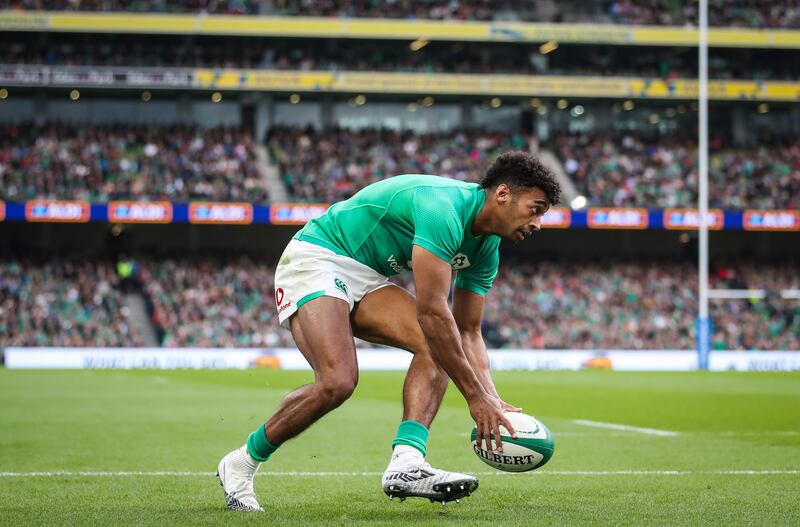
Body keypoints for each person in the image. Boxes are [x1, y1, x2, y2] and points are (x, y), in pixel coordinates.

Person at [217, 151, 562, 511]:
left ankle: (407, 462)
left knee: (440, 346)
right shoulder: (443, 208)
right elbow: (432, 313)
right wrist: (475, 398)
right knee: (338, 381)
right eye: (535, 209)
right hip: (318, 256)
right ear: (503, 194)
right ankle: (240, 463)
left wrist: (492, 398)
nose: (538, 223)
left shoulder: (487, 249)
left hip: (367, 277)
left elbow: (468, 333)